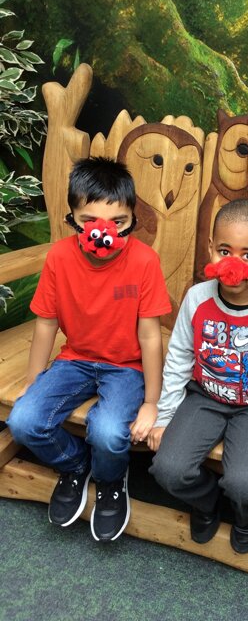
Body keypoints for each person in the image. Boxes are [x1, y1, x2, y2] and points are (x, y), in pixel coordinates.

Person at [7, 157, 171, 542]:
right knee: (24, 420)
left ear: (132, 218)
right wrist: (34, 380)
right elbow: (46, 323)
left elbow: (150, 337)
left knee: (108, 431)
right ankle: (75, 465)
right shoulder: (59, 257)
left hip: (127, 366)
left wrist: (152, 402)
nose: (103, 233)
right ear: (73, 219)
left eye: (117, 222)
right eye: (90, 221)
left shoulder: (144, 261)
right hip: (75, 359)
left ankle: (111, 480)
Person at [148, 198, 248, 554]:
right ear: (210, 249)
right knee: (168, 469)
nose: (234, 264)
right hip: (205, 397)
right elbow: (179, 357)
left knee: (245, 484)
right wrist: (164, 416)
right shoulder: (197, 298)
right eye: (224, 251)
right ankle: (207, 502)